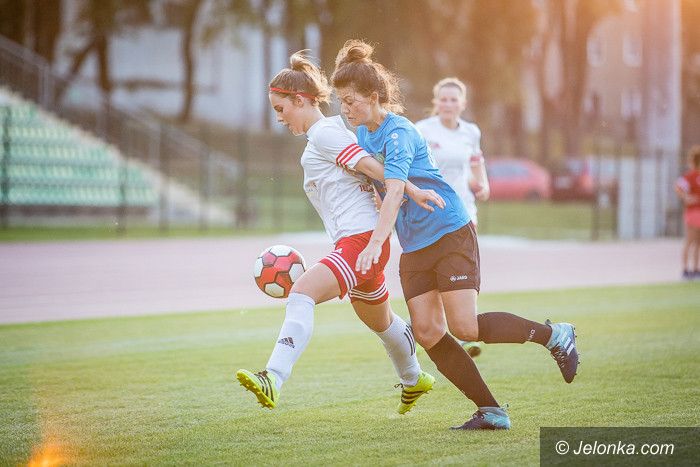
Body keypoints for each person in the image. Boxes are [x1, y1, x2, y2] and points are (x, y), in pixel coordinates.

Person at [331, 39, 579, 431]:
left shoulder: (399, 132)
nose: (345, 110)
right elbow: (383, 188)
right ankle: (491, 411)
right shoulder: (363, 135)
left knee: (465, 327)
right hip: (415, 244)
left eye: (350, 101)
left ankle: (555, 335)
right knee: (428, 332)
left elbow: (394, 190)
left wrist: (376, 242)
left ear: (374, 97)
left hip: (448, 231)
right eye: (340, 102)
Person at [236, 51, 443, 414]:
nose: (280, 118)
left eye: (281, 109)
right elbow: (368, 169)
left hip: (361, 241)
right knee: (381, 321)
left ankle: (273, 377)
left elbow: (372, 167)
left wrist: (410, 190)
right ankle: (414, 378)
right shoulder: (326, 134)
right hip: (360, 241)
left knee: (301, 293)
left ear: (301, 100)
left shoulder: (325, 134)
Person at [415, 77, 489, 358]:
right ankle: (444, 331)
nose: (448, 104)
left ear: (462, 104)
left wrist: (483, 185)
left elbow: (476, 163)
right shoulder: (422, 130)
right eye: (443, 99)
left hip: (464, 213)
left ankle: (463, 329)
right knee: (438, 278)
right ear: (436, 102)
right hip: (432, 214)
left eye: (453, 99)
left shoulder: (471, 132)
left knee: (461, 275)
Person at [674, 145, 700, 280]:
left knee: (693, 242)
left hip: (694, 211)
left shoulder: (691, 176)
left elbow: (678, 187)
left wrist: (686, 197)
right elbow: (678, 187)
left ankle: (692, 269)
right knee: (693, 242)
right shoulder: (691, 176)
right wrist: (687, 197)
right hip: (694, 211)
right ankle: (689, 269)